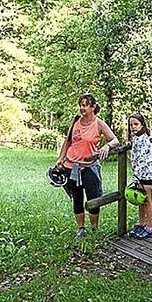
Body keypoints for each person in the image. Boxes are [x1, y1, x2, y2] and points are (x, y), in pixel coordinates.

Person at [55, 93, 119, 238]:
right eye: (81, 105)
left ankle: (94, 228)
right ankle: (81, 228)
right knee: (77, 197)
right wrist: (60, 158)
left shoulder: (99, 123)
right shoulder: (76, 121)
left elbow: (115, 140)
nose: (82, 108)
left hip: (89, 166)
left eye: (85, 105)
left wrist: (106, 147)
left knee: (93, 198)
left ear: (93, 107)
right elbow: (68, 141)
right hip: (72, 165)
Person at [127, 113, 152, 239]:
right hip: (139, 175)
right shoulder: (136, 139)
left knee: (148, 200)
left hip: (146, 174)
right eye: (131, 125)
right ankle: (141, 223)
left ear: (142, 125)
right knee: (140, 199)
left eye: (136, 124)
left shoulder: (144, 139)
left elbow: (142, 160)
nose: (133, 127)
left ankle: (150, 227)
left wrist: (137, 177)